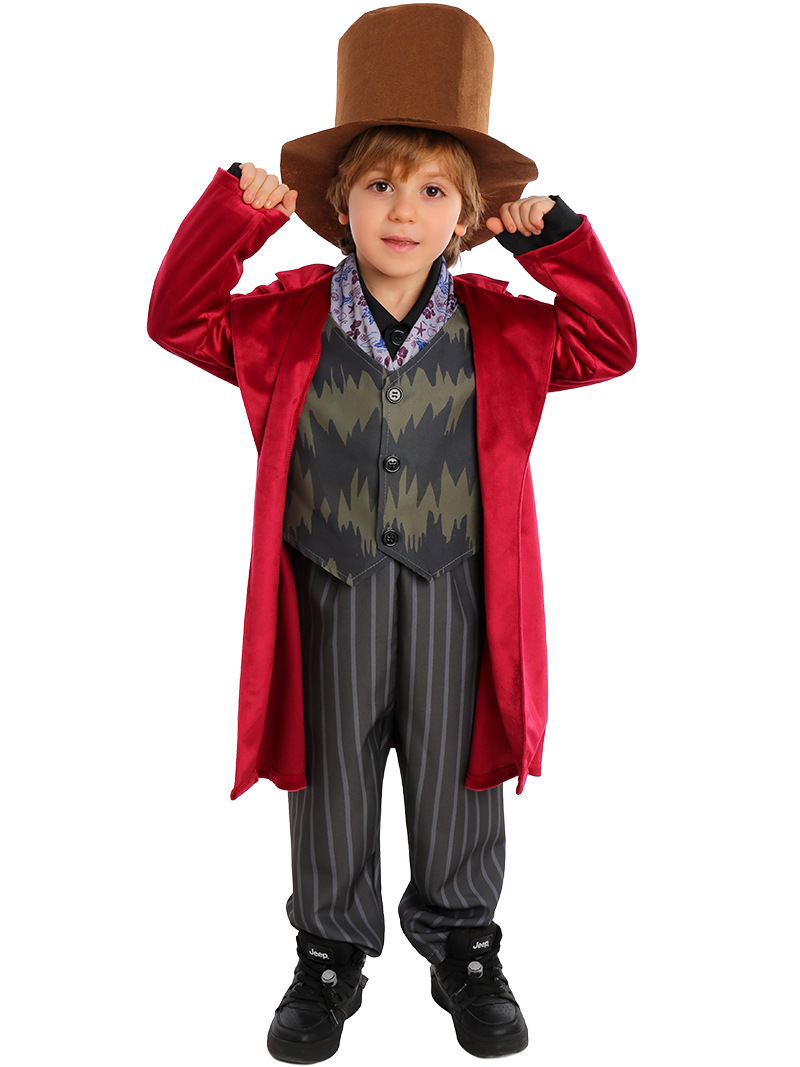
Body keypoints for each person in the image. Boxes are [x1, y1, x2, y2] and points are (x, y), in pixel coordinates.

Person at [147, 5, 636, 1062]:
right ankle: (327, 952)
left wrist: (553, 241)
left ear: (465, 217)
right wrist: (234, 216)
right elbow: (176, 318)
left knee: (461, 766)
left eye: (431, 191)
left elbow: (609, 342)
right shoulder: (282, 320)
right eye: (378, 185)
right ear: (339, 204)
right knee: (328, 770)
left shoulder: (506, 326)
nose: (403, 210)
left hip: (458, 587)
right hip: (328, 586)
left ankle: (463, 941)